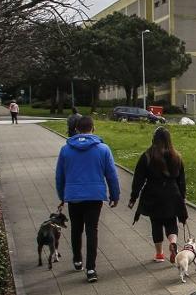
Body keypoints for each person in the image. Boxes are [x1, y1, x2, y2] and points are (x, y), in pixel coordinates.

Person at [55, 116, 120, 283]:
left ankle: (77, 259)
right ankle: (91, 268)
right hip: (94, 195)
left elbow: (60, 176)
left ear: (76, 129)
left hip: (73, 195)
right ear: (93, 128)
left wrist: (62, 196)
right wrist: (115, 195)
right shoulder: (103, 149)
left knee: (76, 228)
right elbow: (111, 174)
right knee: (92, 230)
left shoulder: (66, 150)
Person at [129, 127, 188, 264]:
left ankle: (159, 254)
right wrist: (182, 197)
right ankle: (173, 242)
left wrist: (134, 196)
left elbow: (138, 178)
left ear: (154, 139)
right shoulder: (176, 156)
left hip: (153, 194)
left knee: (156, 223)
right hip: (173, 194)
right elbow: (181, 180)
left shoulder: (147, 156)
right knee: (171, 222)